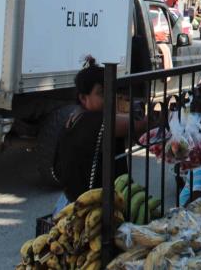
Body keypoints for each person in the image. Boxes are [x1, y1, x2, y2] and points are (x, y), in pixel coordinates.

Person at [53, 57, 148, 212]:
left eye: (111, 91)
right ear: (83, 98)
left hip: (77, 197)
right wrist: (153, 120)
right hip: (89, 205)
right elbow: (135, 125)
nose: (109, 98)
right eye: (102, 94)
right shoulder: (93, 120)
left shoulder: (77, 115)